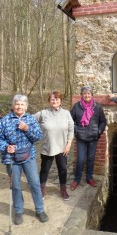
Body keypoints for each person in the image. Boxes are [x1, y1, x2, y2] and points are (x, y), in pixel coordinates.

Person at [0, 94, 48, 225]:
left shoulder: (31, 119)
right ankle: (19, 211)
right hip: (11, 158)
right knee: (15, 185)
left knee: (34, 183)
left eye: (22, 104)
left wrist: (27, 129)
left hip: (29, 156)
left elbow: (38, 136)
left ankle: (40, 209)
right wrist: (5, 147)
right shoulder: (5, 120)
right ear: (13, 106)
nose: (19, 106)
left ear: (26, 106)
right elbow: (0, 138)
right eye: (17, 104)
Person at [34, 90, 74, 201]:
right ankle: (41, 190)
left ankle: (63, 189)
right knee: (44, 170)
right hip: (48, 147)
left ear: (60, 101)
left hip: (62, 148)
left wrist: (69, 143)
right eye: (52, 99)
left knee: (63, 169)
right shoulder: (43, 113)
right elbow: (30, 120)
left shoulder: (66, 113)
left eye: (57, 99)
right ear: (49, 101)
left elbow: (71, 128)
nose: (54, 101)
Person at [70, 86, 106, 190]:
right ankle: (77, 179)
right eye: (85, 93)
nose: (87, 95)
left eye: (89, 93)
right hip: (81, 137)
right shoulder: (77, 107)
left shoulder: (97, 107)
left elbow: (103, 121)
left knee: (90, 158)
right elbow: (70, 121)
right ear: (82, 95)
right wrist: (76, 130)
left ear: (92, 95)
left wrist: (99, 131)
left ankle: (89, 178)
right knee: (81, 159)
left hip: (93, 137)